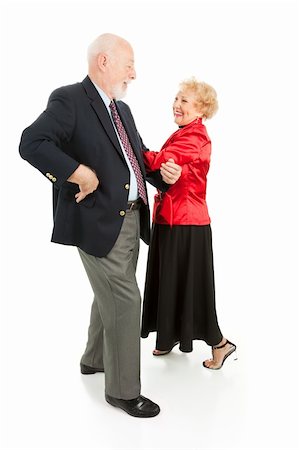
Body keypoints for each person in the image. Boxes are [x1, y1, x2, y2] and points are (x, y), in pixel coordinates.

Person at [19, 33, 182, 418]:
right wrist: (77, 173)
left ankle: (94, 359)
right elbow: (32, 143)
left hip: (130, 219)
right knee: (126, 299)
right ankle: (123, 391)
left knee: (109, 292)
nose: (134, 74)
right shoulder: (69, 99)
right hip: (95, 219)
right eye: (129, 64)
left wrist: (163, 175)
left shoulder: (121, 110)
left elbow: (136, 158)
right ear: (104, 61)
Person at [141, 78, 237, 370]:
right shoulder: (184, 132)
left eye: (184, 100)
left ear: (201, 110)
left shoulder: (196, 137)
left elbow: (161, 160)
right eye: (176, 98)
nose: (176, 104)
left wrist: (133, 146)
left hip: (188, 223)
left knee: (193, 287)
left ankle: (220, 344)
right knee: (170, 280)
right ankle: (168, 336)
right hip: (171, 219)